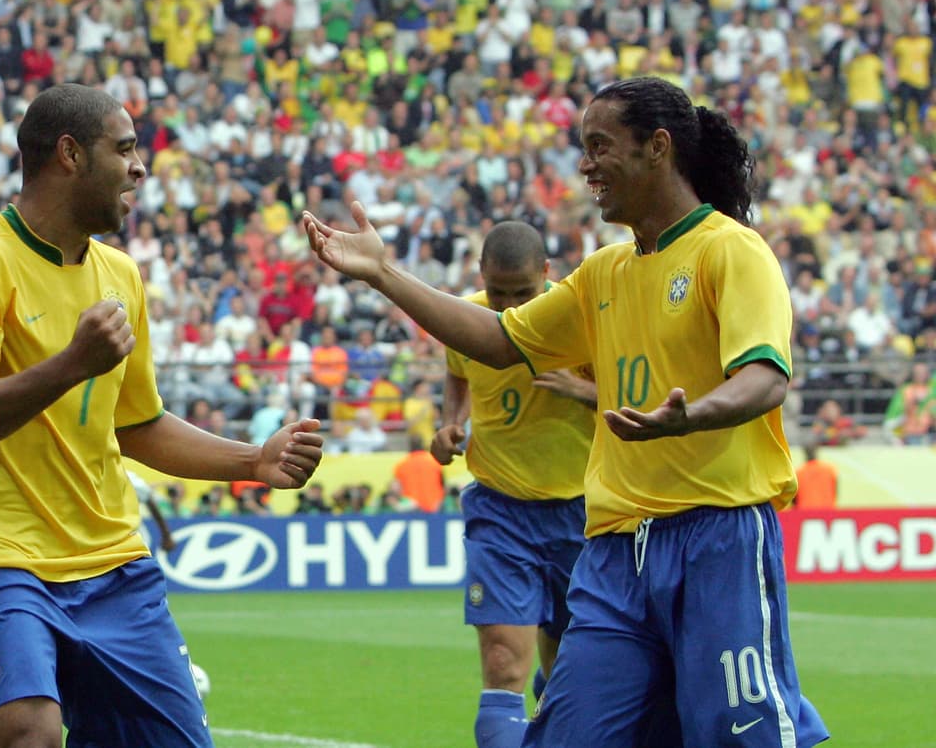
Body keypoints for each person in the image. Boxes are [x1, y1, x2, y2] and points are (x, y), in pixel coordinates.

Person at [303, 77, 829, 747]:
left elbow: (763, 377)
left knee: (737, 734)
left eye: (599, 146)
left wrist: (695, 414)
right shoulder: (603, 273)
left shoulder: (730, 249)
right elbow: (499, 340)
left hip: (716, 535)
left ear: (657, 147)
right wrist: (385, 274)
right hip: (614, 550)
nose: (585, 165)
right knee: (569, 735)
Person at [0, 84, 324, 748]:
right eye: (125, 149)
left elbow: (136, 425)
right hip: (0, 559)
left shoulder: (120, 275)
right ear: (70, 154)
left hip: (113, 567)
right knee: (26, 729)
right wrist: (70, 364)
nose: (140, 167)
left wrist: (252, 460)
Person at [428, 221, 596, 747]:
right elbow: (458, 372)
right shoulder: (469, 317)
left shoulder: (581, 316)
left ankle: (554, 706)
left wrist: (584, 391)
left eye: (522, 293)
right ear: (481, 275)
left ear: (546, 273)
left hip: (583, 513)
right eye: (498, 292)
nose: (508, 307)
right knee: (503, 665)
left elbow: (638, 395)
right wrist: (451, 423)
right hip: (499, 510)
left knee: (568, 672)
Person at [792, 444, 838, 510]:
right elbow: (835, 492)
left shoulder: (799, 472)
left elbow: (794, 498)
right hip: (827, 510)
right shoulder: (829, 470)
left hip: (805, 512)